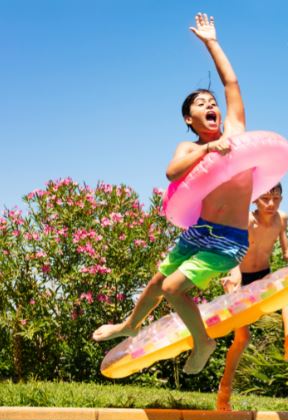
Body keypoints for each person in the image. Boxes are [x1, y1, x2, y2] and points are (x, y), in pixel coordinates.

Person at [93, 13, 252, 374]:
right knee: (156, 281)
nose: (211, 106)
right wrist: (207, 151)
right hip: (200, 231)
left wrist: (211, 42)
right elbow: (172, 172)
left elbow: (232, 81)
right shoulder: (189, 147)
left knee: (173, 287)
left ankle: (203, 341)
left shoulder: (237, 132)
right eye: (201, 104)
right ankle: (129, 325)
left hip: (228, 240)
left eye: (212, 102)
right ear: (188, 118)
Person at [216, 183, 288, 411]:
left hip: (262, 277)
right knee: (242, 339)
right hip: (240, 278)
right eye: (265, 198)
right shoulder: (247, 220)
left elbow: (285, 248)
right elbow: (233, 250)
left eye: (276, 198)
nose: (271, 204)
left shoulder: (281, 219)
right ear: (254, 200)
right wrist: (234, 273)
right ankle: (223, 395)